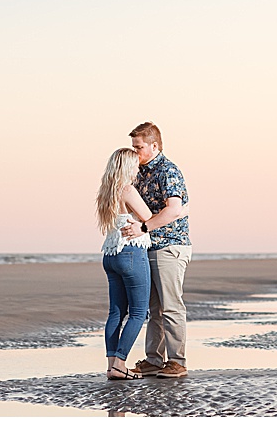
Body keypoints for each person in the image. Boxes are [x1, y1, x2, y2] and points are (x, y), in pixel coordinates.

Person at [120, 121, 192, 379]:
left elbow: (174, 209)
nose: (135, 151)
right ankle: (153, 360)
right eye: (133, 147)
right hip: (149, 246)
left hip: (170, 246)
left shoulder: (168, 171)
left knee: (171, 306)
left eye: (138, 147)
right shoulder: (138, 172)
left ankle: (177, 362)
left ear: (154, 145)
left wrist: (144, 227)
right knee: (155, 308)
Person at [95, 147, 153, 380]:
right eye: (135, 164)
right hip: (131, 252)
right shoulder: (127, 189)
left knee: (116, 313)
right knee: (139, 313)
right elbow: (148, 216)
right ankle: (120, 364)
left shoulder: (105, 192)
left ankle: (111, 366)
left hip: (110, 255)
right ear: (128, 166)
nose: (138, 168)